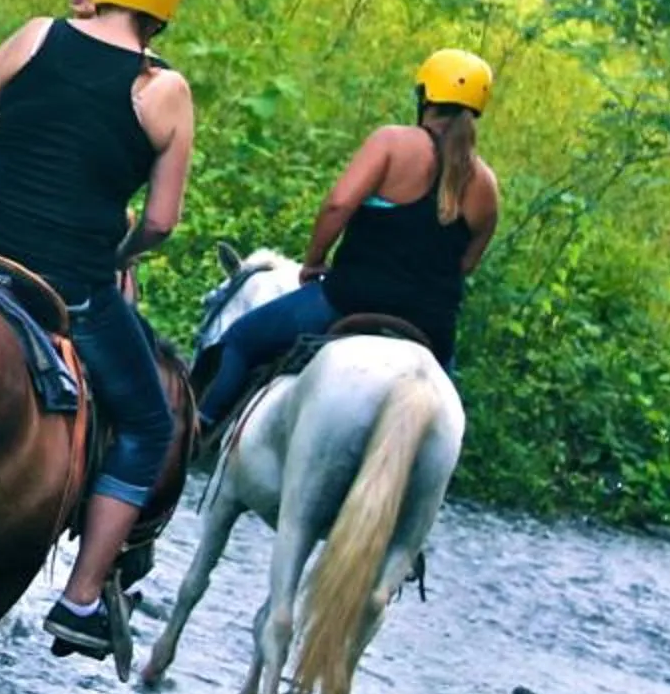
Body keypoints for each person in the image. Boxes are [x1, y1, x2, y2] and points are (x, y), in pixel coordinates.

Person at [0, 0, 195, 662]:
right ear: (163, 12)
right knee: (148, 424)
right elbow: (163, 222)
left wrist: (8, 142)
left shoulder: (38, 36)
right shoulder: (164, 91)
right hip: (69, 286)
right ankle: (79, 599)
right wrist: (124, 253)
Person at [193, 49, 500, 434]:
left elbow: (338, 205)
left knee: (240, 339)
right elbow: (465, 264)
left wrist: (314, 261)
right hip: (432, 329)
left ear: (425, 97)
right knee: (446, 417)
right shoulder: (486, 185)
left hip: (351, 299)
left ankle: (197, 432)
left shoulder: (392, 142)